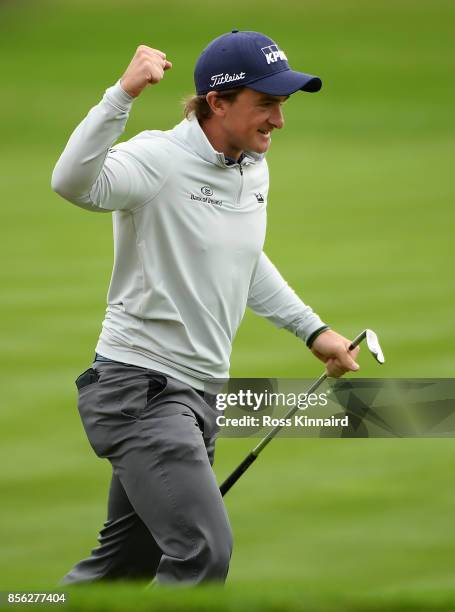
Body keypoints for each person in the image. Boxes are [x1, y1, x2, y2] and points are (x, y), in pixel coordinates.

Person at [51, 29, 360, 586]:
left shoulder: (249, 167)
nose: (279, 121)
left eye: (282, 106)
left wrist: (314, 331)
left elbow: (243, 259)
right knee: (203, 552)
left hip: (197, 395)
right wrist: (121, 95)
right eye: (266, 105)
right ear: (217, 102)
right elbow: (72, 183)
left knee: (121, 570)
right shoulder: (157, 159)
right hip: (139, 391)